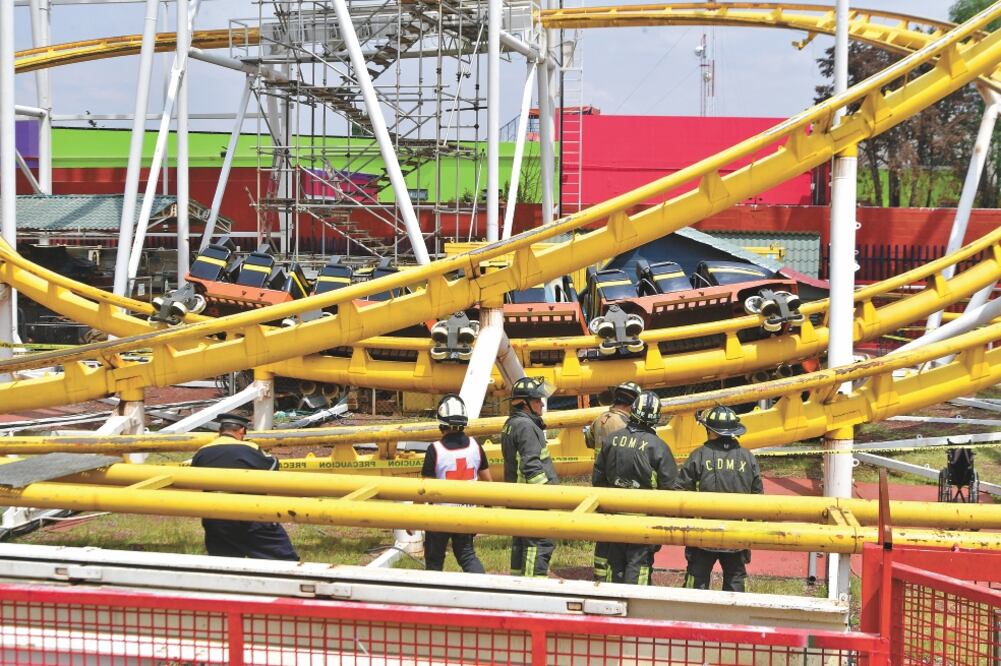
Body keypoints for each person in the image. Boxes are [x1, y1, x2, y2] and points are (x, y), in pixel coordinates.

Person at [592, 391, 678, 585]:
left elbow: (598, 479)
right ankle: (634, 606)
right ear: (656, 417)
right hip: (644, 523)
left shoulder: (612, 440)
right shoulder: (658, 447)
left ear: (633, 411)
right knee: (638, 567)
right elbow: (671, 488)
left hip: (614, 519)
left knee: (616, 565)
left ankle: (616, 608)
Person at [676, 405, 763, 593]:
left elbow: (681, 490)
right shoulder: (748, 458)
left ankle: (690, 620)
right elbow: (758, 500)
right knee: (735, 581)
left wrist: (688, 524)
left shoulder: (699, 455)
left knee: (695, 584)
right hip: (737, 535)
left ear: (710, 431)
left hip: (703, 535)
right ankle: (735, 619)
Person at [190, 412, 299, 560]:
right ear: (241, 431)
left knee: (224, 564)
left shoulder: (202, 452)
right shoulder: (249, 448)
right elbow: (273, 468)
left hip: (214, 517)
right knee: (283, 560)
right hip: (250, 515)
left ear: (220, 431)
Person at [421, 394, 492, 573]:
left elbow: (424, 489)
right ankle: (482, 591)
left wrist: (413, 518)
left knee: (434, 561)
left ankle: (433, 597)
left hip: (439, 517)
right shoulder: (475, 446)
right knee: (467, 555)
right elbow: (489, 483)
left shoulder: (435, 450)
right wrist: (487, 508)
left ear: (441, 422)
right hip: (466, 513)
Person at [501, 376, 559, 577]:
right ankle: (533, 587)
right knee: (540, 542)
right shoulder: (526, 427)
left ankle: (518, 586)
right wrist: (546, 496)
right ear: (524, 403)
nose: (541, 403)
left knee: (521, 543)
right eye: (537, 400)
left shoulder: (511, 423)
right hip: (532, 499)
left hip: (519, 497)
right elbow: (531, 466)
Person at [586, 381, 642, 581]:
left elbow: (589, 441)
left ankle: (600, 572)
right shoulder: (624, 425)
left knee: (603, 530)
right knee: (619, 532)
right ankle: (617, 572)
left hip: (600, 480)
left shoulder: (600, 418)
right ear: (632, 404)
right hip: (618, 481)